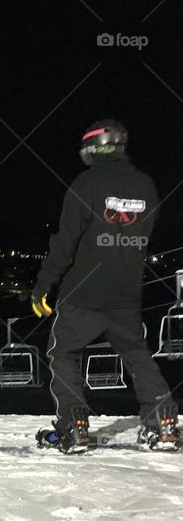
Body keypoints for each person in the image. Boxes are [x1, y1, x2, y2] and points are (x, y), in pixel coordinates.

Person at [31, 119, 179, 451]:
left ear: (93, 148)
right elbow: (140, 236)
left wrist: (44, 286)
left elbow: (65, 241)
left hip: (82, 292)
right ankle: (163, 423)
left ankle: (74, 425)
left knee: (64, 352)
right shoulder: (146, 185)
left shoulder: (86, 184)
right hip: (127, 292)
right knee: (137, 353)